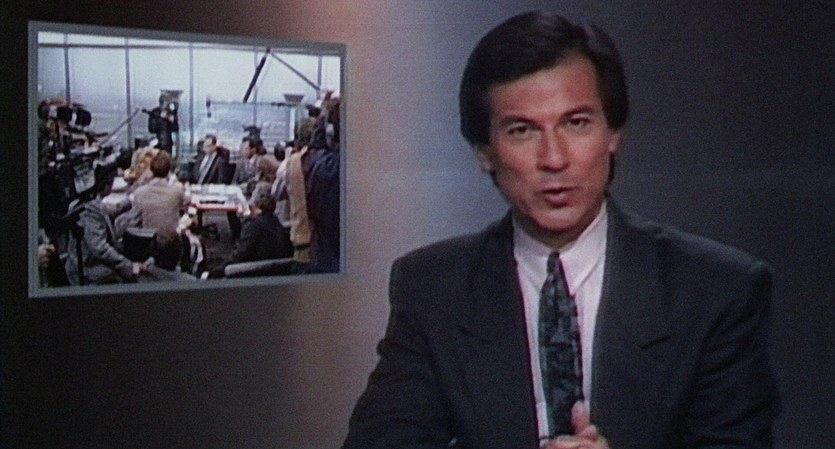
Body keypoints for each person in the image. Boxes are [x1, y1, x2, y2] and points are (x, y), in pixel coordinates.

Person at [342, 11, 778, 449]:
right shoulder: (435, 289)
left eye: (576, 123)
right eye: (522, 130)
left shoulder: (715, 290)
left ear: (613, 134)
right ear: (484, 153)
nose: (554, 159)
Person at [64, 166, 146, 285]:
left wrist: (129, 201)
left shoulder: (88, 203)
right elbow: (100, 249)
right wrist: (129, 266)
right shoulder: (88, 210)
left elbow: (107, 210)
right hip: (89, 270)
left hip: (90, 262)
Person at [208, 192, 292, 278]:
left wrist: (220, 269)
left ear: (257, 208)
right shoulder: (277, 224)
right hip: (275, 270)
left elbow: (241, 253)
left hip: (255, 270)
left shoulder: (254, 226)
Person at [132, 151, 189, 270]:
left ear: (151, 170)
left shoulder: (139, 193)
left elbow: (135, 217)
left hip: (145, 241)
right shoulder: (177, 190)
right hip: (171, 242)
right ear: (169, 171)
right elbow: (186, 203)